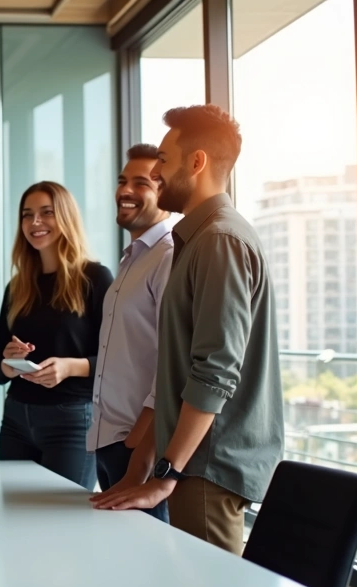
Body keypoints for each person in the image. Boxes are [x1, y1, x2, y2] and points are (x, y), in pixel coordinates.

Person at [93, 105, 283, 555]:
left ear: (196, 162)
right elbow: (175, 372)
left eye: (163, 159)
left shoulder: (219, 240)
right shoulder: (197, 238)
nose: (156, 172)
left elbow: (214, 372)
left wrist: (167, 474)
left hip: (205, 469)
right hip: (192, 466)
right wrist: (142, 469)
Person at [0, 181, 114, 490]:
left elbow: (117, 360)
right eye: (27, 214)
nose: (35, 222)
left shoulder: (95, 278)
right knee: (15, 513)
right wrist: (9, 363)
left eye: (47, 213)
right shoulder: (17, 286)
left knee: (63, 517)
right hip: (16, 420)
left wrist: (70, 367)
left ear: (66, 217)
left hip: (71, 422)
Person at [82, 144, 176, 522]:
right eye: (122, 181)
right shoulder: (133, 258)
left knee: (149, 552)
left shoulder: (167, 255)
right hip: (110, 441)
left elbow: (173, 360)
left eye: (141, 183)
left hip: (137, 447)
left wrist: (139, 440)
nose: (125, 190)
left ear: (164, 192)